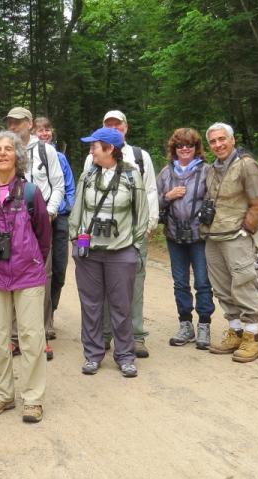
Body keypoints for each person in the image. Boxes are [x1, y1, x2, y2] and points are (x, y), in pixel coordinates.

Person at [0, 131, 52, 423]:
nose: (3, 153)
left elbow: (44, 236)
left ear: (18, 156)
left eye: (8, 149)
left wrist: (31, 260)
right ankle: (3, 394)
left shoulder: (31, 193)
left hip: (28, 274)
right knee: (0, 338)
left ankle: (32, 398)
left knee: (31, 338)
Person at [70, 127, 148, 379]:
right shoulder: (88, 176)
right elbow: (78, 209)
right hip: (89, 252)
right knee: (91, 305)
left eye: (95, 146)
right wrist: (75, 239)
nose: (91, 150)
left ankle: (125, 356)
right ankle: (92, 355)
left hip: (121, 251)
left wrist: (135, 247)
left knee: (121, 306)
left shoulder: (131, 176)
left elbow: (142, 214)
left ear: (109, 149)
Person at [83, 110, 158, 357]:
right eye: (109, 124)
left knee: (133, 285)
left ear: (126, 126)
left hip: (133, 231)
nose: (115, 128)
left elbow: (148, 192)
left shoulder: (139, 156)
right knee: (102, 285)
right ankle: (105, 335)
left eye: (118, 124)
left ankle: (135, 336)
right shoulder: (91, 157)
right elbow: (86, 196)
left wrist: (149, 226)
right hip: (99, 234)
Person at [201, 122, 258, 362]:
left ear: (232, 140)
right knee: (222, 287)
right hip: (213, 236)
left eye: (222, 139)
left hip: (236, 236)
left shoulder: (247, 166)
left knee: (243, 283)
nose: (218, 145)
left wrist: (245, 231)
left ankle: (252, 337)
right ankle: (235, 331)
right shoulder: (212, 169)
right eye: (213, 141)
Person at [3, 107, 63, 360]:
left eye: (17, 122)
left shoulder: (45, 150)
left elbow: (58, 185)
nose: (13, 127)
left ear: (29, 123)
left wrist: (47, 213)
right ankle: (15, 336)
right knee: (12, 275)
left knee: (42, 277)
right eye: (10, 123)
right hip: (11, 223)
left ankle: (41, 333)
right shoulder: (6, 150)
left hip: (39, 223)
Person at [156, 128, 215, 348]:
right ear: (174, 148)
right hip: (174, 234)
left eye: (189, 145)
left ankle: (204, 325)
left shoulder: (207, 171)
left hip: (200, 235)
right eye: (180, 145)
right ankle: (185, 324)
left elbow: (215, 200)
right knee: (180, 282)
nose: (184, 149)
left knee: (202, 282)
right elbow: (153, 202)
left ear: (196, 148)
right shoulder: (165, 173)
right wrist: (167, 196)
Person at [33, 117, 76, 330]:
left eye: (47, 129)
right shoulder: (28, 156)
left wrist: (62, 209)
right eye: (40, 130)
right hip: (36, 220)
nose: (44, 133)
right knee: (38, 267)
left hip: (58, 219)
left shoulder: (60, 157)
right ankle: (42, 319)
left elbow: (69, 188)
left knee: (58, 269)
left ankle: (51, 309)